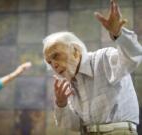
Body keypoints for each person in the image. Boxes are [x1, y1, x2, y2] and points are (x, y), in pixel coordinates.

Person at [43, 0, 142, 135]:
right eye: (49, 62)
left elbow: (133, 57)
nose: (53, 64)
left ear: (75, 51)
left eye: (56, 56)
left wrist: (118, 34)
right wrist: (61, 104)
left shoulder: (104, 58)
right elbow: (75, 125)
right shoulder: (69, 84)